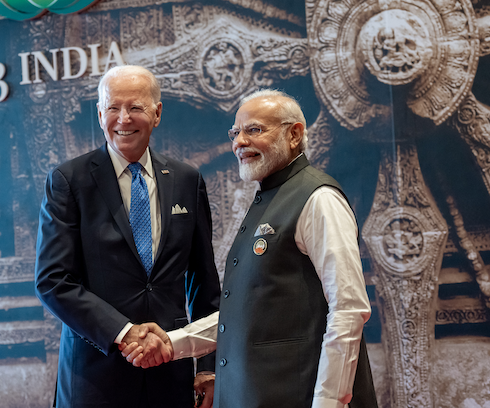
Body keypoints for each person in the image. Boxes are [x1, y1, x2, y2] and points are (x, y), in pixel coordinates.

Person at [121, 89, 378, 408]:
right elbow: (242, 315)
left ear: (294, 134)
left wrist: (328, 402)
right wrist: (171, 343)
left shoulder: (319, 199)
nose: (239, 142)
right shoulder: (267, 198)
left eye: (254, 130)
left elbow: (348, 309)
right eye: (235, 132)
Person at [35, 65, 221, 408]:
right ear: (100, 113)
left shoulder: (186, 180)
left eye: (135, 107)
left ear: (157, 113)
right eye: (113, 108)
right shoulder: (68, 181)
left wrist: (208, 367)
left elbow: (204, 283)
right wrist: (124, 333)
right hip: (94, 377)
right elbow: (53, 281)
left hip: (172, 375)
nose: (123, 119)